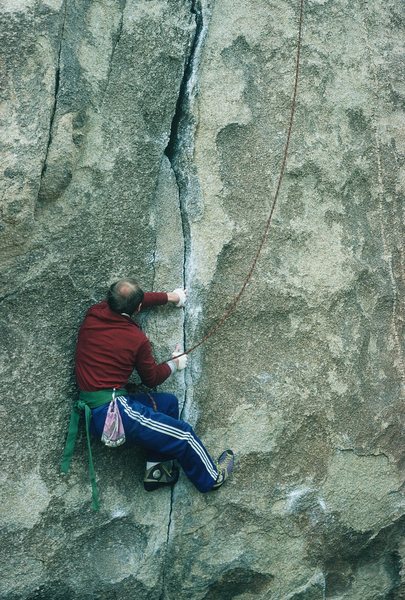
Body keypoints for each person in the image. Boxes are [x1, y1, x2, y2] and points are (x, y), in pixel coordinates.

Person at [61, 278, 234, 510]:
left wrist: (172, 297)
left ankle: (158, 472)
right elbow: (151, 379)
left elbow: (137, 299)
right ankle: (211, 479)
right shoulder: (135, 339)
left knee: (166, 404)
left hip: (95, 411)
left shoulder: (94, 313)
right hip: (116, 415)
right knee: (183, 435)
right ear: (138, 308)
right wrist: (175, 364)